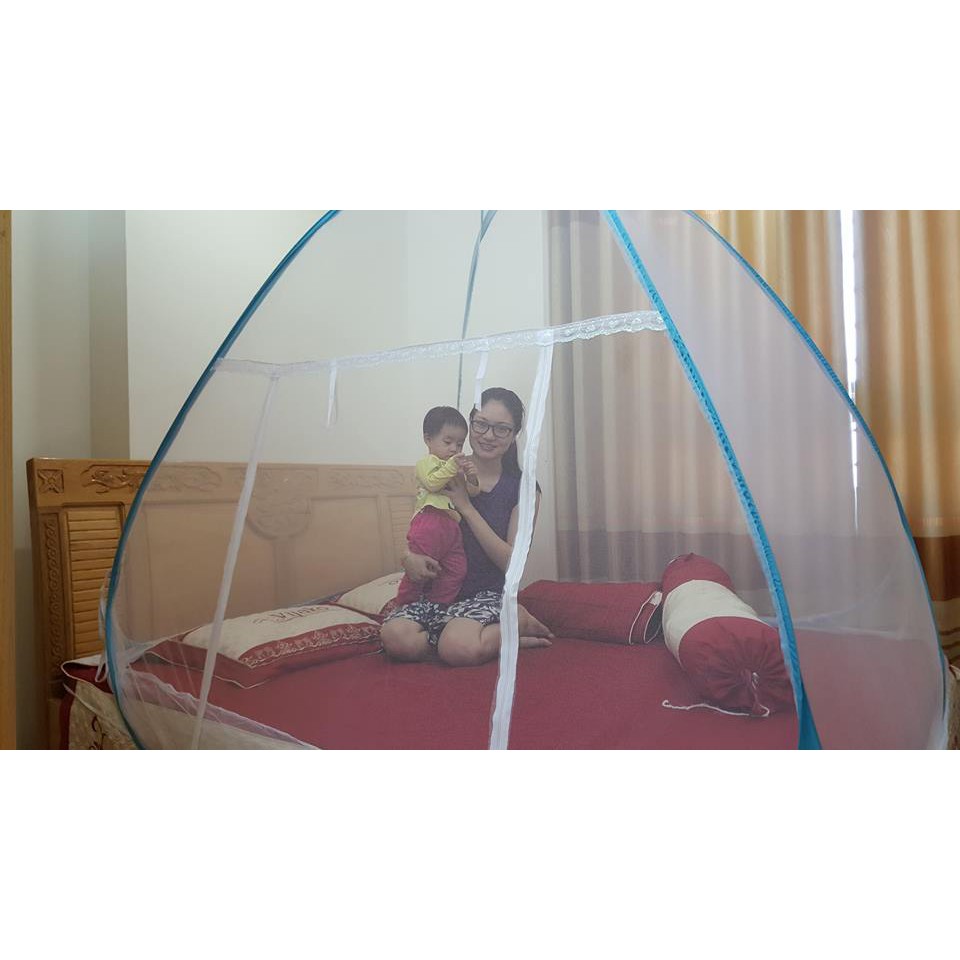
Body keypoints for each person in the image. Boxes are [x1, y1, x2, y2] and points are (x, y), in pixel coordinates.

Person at [381, 387, 553, 667]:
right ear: (470, 424)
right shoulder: (442, 470)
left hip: (486, 592)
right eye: (481, 424)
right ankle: (478, 636)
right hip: (437, 591)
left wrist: (466, 507)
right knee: (397, 638)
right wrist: (407, 558)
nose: (488, 435)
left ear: (514, 434)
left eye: (501, 429)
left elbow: (512, 563)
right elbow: (422, 524)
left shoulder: (524, 489)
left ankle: (516, 622)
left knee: (458, 649)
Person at [395, 406, 478, 607]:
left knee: (457, 569)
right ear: (428, 439)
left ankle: (438, 604)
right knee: (419, 569)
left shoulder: (453, 468)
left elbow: (472, 493)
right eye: (448, 442)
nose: (454, 449)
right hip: (429, 521)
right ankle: (404, 604)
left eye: (459, 444)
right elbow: (432, 483)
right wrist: (452, 467)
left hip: (451, 526)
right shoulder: (426, 463)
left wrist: (471, 476)